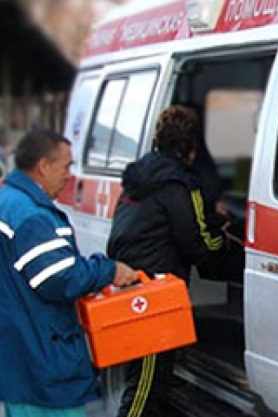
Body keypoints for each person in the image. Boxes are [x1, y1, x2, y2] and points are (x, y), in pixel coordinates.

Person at [0, 129, 138, 417]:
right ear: (43, 166)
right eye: (65, 167)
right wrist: (108, 270)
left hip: (19, 359)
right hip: (41, 365)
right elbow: (58, 277)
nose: (69, 176)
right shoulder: (31, 215)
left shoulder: (10, 201)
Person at [107, 104, 227, 417]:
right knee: (145, 386)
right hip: (155, 292)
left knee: (150, 378)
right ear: (190, 151)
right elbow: (196, 243)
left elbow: (158, 218)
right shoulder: (181, 184)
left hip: (131, 281)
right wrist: (226, 243)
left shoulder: (141, 176)